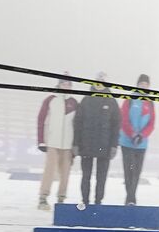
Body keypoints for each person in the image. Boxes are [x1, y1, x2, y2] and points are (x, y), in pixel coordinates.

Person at [73, 74, 120, 205]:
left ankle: (98, 201)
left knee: (101, 177)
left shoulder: (111, 101)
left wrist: (114, 145)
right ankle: (85, 200)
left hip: (104, 146)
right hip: (86, 145)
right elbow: (78, 123)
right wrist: (76, 143)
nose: (99, 85)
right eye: (97, 82)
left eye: (102, 82)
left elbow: (116, 125)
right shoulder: (86, 100)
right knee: (86, 176)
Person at [35, 77, 77, 210]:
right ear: (59, 85)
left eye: (68, 84)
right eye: (63, 83)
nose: (66, 86)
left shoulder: (74, 102)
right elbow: (41, 120)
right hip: (52, 142)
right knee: (50, 171)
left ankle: (61, 198)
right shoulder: (50, 100)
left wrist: (76, 145)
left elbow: (77, 124)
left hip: (68, 144)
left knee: (65, 172)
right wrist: (41, 140)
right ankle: (43, 198)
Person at [119, 73, 156, 206]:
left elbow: (151, 123)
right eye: (141, 84)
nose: (144, 86)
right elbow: (123, 119)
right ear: (137, 85)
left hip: (141, 144)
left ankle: (131, 198)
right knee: (129, 171)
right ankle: (130, 198)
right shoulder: (129, 100)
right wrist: (133, 134)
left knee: (136, 172)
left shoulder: (150, 103)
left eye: (146, 85)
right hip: (127, 142)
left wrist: (142, 135)